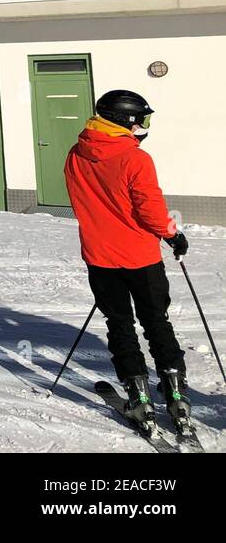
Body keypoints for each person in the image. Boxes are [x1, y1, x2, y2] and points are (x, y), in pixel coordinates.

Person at [64, 89, 191, 433]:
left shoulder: (77, 154)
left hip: (100, 257)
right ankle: (175, 395)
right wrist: (172, 234)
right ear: (125, 120)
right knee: (156, 322)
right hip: (140, 257)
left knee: (120, 325)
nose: (143, 128)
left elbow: (81, 200)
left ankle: (139, 398)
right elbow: (150, 210)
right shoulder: (136, 158)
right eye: (141, 120)